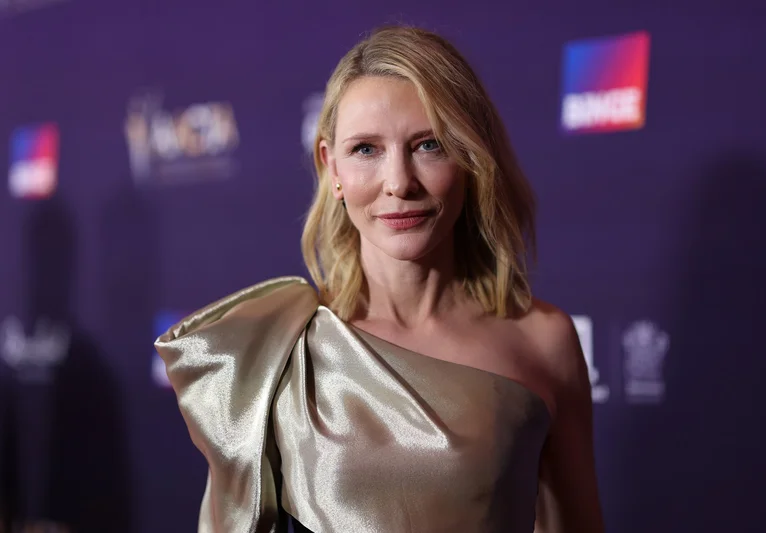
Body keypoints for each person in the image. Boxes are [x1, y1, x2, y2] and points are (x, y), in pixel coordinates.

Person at [156, 25, 605, 533]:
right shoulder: (280, 350)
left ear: (471, 158)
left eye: (429, 145)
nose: (398, 183)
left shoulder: (543, 339)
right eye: (366, 149)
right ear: (331, 167)